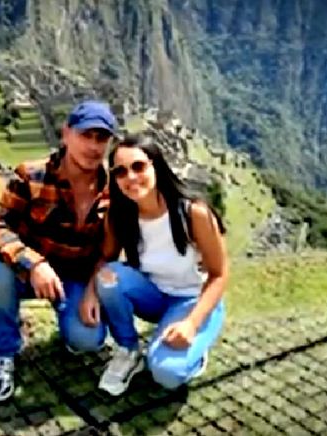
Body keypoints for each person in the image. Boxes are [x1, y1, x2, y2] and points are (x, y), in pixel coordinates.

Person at [0, 100, 118, 402]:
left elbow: (108, 251)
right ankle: (3, 352)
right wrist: (34, 264)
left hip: (76, 278)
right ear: (66, 134)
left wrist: (93, 291)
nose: (93, 146)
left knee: (88, 341)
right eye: (85, 135)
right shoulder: (32, 176)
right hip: (28, 274)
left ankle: (70, 326)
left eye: (101, 138)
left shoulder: (114, 190)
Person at [79, 133, 228, 396]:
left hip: (192, 299)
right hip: (152, 296)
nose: (131, 177)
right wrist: (91, 292)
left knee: (166, 374)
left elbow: (219, 274)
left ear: (156, 166)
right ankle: (128, 349)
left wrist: (191, 324)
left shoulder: (193, 213)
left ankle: (193, 354)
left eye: (138, 166)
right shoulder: (120, 215)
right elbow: (107, 258)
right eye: (120, 171)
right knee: (108, 277)